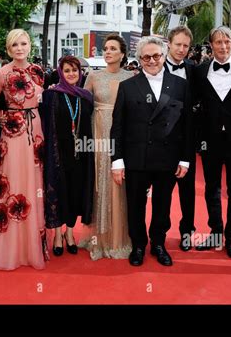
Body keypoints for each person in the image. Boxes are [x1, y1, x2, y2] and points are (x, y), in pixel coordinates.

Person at [110, 36, 192, 267]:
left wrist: (185, 158)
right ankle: (138, 245)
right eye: (146, 57)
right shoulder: (127, 86)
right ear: (140, 60)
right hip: (136, 157)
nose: (152, 60)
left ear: (164, 56)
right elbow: (117, 126)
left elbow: (187, 125)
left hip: (168, 157)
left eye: (156, 55)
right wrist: (117, 161)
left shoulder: (180, 85)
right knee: (136, 205)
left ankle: (158, 243)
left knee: (162, 205)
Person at [0, 29, 49, 270]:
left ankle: (32, 245)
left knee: (33, 183)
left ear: (30, 46)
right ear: (8, 49)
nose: (19, 48)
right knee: (13, 183)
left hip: (35, 131)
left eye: (24, 43)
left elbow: (42, 102)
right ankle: (9, 245)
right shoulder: (1, 73)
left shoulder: (39, 72)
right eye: (15, 44)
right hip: (12, 131)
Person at [194, 26, 231, 259]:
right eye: (218, 42)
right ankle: (215, 232)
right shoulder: (199, 72)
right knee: (212, 189)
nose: (223, 46)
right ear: (211, 45)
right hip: (210, 142)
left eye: (227, 41)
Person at [78, 33, 133, 260]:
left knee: (118, 180)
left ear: (122, 54)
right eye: (106, 48)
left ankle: (119, 236)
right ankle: (98, 238)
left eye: (112, 48)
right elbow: (81, 105)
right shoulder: (92, 75)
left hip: (122, 133)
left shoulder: (131, 77)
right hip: (98, 132)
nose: (107, 51)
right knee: (100, 178)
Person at [40, 56, 94, 256]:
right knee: (58, 193)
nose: (71, 74)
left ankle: (70, 233)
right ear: (60, 73)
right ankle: (56, 234)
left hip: (80, 155)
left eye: (75, 70)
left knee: (74, 194)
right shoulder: (51, 95)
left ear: (80, 73)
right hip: (57, 155)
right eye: (67, 70)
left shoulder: (86, 97)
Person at [164, 26, 197, 251]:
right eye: (178, 44)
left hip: (186, 140)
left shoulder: (195, 71)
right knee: (163, 192)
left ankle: (187, 232)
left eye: (186, 46)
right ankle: (159, 235)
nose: (182, 49)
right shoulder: (154, 68)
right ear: (169, 44)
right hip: (160, 143)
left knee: (188, 193)